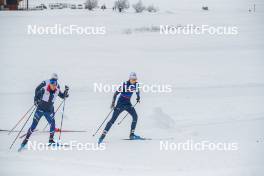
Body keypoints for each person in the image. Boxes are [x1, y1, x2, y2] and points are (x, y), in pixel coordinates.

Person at [19, 73, 69, 149]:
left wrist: (66, 93)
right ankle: (25, 141)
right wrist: (36, 101)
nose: (53, 84)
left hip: (49, 111)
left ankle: (51, 141)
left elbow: (62, 96)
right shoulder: (44, 89)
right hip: (40, 110)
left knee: (52, 125)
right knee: (33, 126)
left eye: (55, 82)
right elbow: (36, 96)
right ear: (50, 82)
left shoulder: (57, 90)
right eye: (51, 82)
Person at [98, 72, 141, 144]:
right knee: (112, 120)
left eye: (135, 79)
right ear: (129, 79)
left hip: (128, 104)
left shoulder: (136, 84)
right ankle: (102, 136)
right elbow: (115, 94)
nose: (134, 81)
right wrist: (113, 103)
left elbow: (137, 91)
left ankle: (132, 135)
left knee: (135, 116)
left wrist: (138, 97)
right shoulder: (124, 85)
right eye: (132, 79)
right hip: (120, 104)